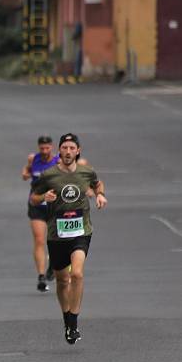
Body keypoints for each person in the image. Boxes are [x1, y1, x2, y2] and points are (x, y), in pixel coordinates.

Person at [30, 134, 107, 344]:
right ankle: (67, 319)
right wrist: (43, 198)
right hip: (57, 235)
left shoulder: (86, 172)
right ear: (59, 151)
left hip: (81, 232)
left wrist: (100, 195)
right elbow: (33, 197)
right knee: (63, 280)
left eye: (72, 148)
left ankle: (73, 321)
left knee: (78, 274)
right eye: (64, 148)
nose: (68, 151)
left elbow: (98, 184)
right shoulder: (49, 175)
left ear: (78, 151)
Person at [21, 136, 58, 292]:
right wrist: (26, 174)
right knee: (39, 239)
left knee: (55, 241)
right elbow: (25, 171)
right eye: (41, 148)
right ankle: (41, 276)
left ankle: (53, 266)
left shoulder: (58, 161)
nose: (44, 151)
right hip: (36, 204)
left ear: (52, 147)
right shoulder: (33, 159)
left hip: (54, 206)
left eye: (47, 148)